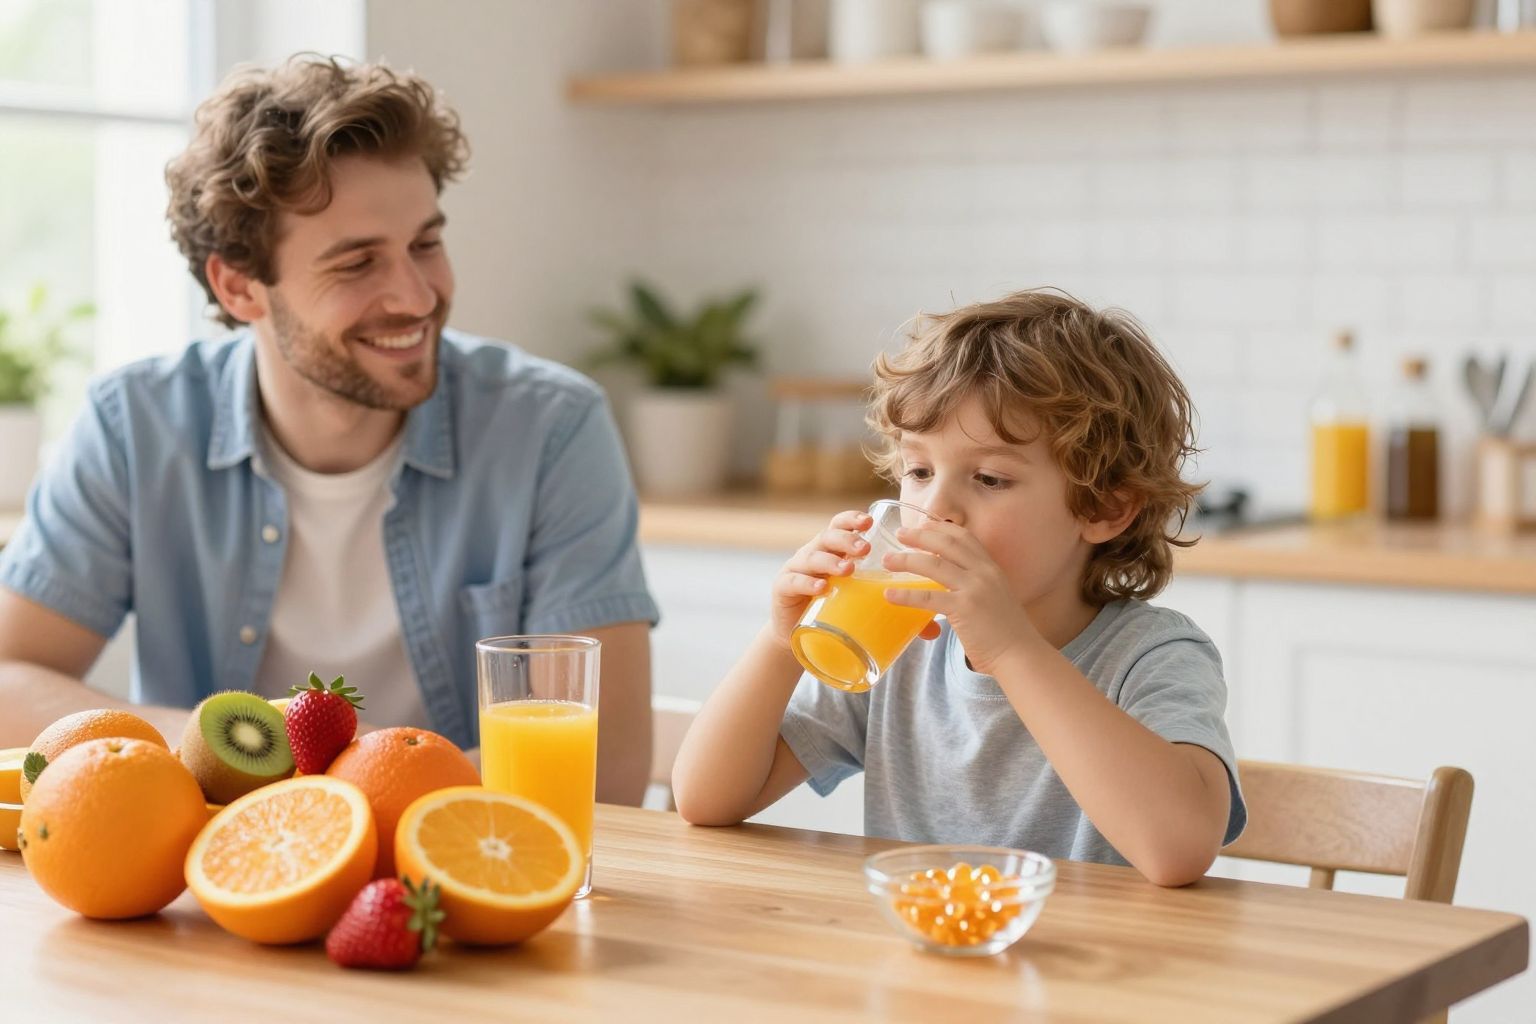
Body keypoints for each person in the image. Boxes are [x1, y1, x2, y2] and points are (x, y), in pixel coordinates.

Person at [0, 56, 658, 803]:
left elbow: (605, 769)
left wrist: (304, 796)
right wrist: (240, 750)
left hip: (459, 870)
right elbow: (10, 682)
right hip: (216, 889)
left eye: (425, 244)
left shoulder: (550, 429)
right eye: (356, 264)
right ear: (240, 286)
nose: (415, 297)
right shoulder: (135, 426)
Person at [671, 289, 1246, 885]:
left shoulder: (1153, 657)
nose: (933, 508)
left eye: (990, 478)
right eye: (918, 471)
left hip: (1096, 970)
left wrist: (1011, 651)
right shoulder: (897, 645)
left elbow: (1177, 850)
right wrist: (778, 642)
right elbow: (705, 799)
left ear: (1104, 507)